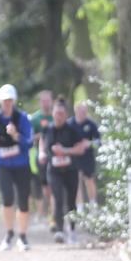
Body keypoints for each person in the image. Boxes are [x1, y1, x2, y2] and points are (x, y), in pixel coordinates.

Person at [0, 84, 34, 251]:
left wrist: (15, 135)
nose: (7, 103)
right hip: (2, 165)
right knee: (7, 198)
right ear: (0, 101)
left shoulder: (23, 118)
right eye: (5, 100)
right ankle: (9, 233)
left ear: (14, 100)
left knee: (23, 201)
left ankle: (23, 236)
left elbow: (29, 142)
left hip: (21, 165)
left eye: (10, 100)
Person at [45, 97, 89, 244]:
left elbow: (81, 149)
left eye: (62, 114)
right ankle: (59, 230)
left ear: (66, 115)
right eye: (57, 113)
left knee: (71, 201)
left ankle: (72, 230)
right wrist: (42, 153)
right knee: (57, 198)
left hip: (71, 170)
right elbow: (43, 143)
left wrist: (64, 151)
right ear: (52, 114)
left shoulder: (72, 129)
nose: (59, 116)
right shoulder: (48, 129)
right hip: (54, 171)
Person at [69, 101, 101, 212]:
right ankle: (79, 207)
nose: (83, 113)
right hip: (74, 157)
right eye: (81, 111)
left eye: (85, 111)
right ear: (76, 111)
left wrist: (89, 143)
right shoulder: (69, 124)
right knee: (76, 182)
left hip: (87, 157)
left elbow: (98, 142)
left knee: (89, 180)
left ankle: (93, 205)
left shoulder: (91, 124)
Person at [29, 90, 54, 226]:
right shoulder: (35, 119)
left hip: (56, 155)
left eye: (48, 100)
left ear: (52, 101)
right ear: (40, 102)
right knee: (43, 186)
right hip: (40, 156)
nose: (46, 103)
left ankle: (53, 213)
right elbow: (29, 137)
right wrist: (43, 135)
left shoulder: (56, 116)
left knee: (54, 185)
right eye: (43, 101)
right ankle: (43, 212)